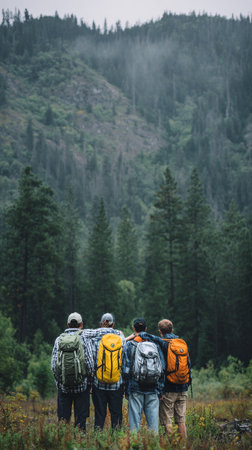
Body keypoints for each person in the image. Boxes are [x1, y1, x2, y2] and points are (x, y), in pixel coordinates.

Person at [139, 319, 191, 440]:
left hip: (169, 388)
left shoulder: (162, 343)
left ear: (160, 331)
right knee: (181, 420)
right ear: (172, 329)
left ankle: (171, 445)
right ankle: (183, 445)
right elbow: (188, 364)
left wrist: (160, 390)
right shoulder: (181, 343)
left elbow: (161, 368)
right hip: (183, 387)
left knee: (167, 420)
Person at [51, 312, 94, 432]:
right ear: (81, 324)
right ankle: (80, 439)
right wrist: (89, 381)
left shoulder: (59, 339)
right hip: (81, 386)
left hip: (64, 387)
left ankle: (64, 440)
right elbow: (90, 364)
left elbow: (54, 365)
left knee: (63, 419)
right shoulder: (84, 338)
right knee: (80, 420)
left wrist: (59, 382)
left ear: (68, 324)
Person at [83, 313, 126, 430]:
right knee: (116, 414)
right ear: (113, 324)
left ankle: (98, 438)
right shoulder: (121, 338)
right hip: (116, 384)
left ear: (101, 324)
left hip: (99, 383)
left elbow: (91, 362)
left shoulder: (94, 340)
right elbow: (125, 361)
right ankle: (117, 438)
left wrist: (91, 380)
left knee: (100, 413)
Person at [122, 318, 165, 433]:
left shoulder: (130, 345)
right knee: (153, 426)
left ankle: (135, 444)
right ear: (146, 329)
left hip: (135, 388)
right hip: (153, 388)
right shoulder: (155, 344)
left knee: (134, 426)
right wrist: (160, 389)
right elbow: (162, 368)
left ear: (133, 328)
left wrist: (126, 390)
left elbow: (125, 370)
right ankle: (153, 445)